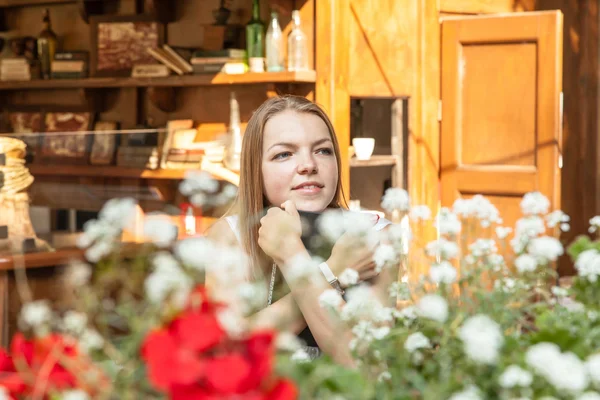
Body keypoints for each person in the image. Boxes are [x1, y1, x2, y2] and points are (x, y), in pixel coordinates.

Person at [206, 95, 395, 366]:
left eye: (322, 150)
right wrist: (333, 273)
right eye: (284, 154)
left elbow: (366, 367)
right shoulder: (230, 236)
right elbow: (226, 356)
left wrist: (291, 254)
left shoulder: (375, 236)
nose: (309, 165)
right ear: (255, 169)